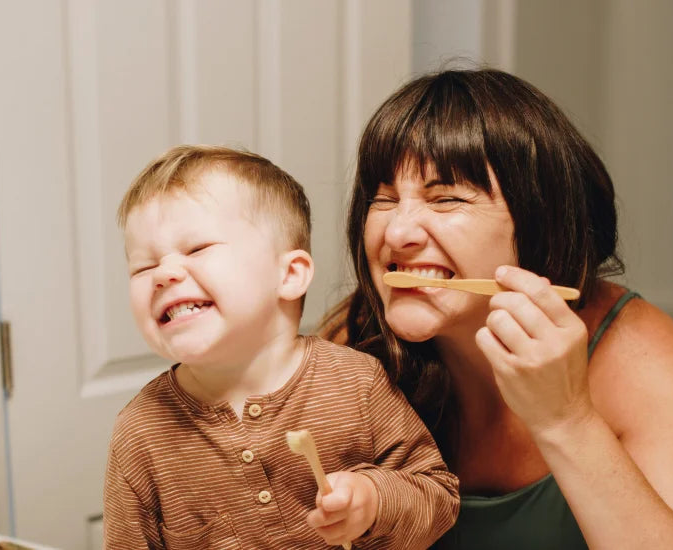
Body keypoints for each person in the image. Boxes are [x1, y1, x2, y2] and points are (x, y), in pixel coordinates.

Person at [320, 69, 673, 549]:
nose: (397, 234)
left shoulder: (637, 357)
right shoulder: (351, 347)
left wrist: (566, 421)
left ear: (539, 219)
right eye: (384, 198)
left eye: (447, 198)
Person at [103, 145, 459, 549]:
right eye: (143, 266)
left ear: (289, 275)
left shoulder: (358, 382)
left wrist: (373, 502)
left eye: (197, 249)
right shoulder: (139, 435)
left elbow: (439, 496)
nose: (164, 274)